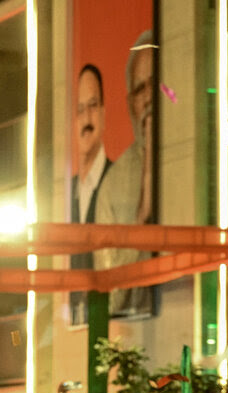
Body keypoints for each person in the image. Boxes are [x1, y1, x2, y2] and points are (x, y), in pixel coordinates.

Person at [93, 29, 155, 318]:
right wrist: (140, 223)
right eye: (140, 89)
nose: (149, 98)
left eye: (155, 84)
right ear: (131, 103)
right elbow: (110, 297)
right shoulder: (112, 185)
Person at [70, 62, 112, 281]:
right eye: (80, 109)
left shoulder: (119, 180)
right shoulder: (66, 194)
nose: (86, 118)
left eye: (93, 106)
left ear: (103, 113)